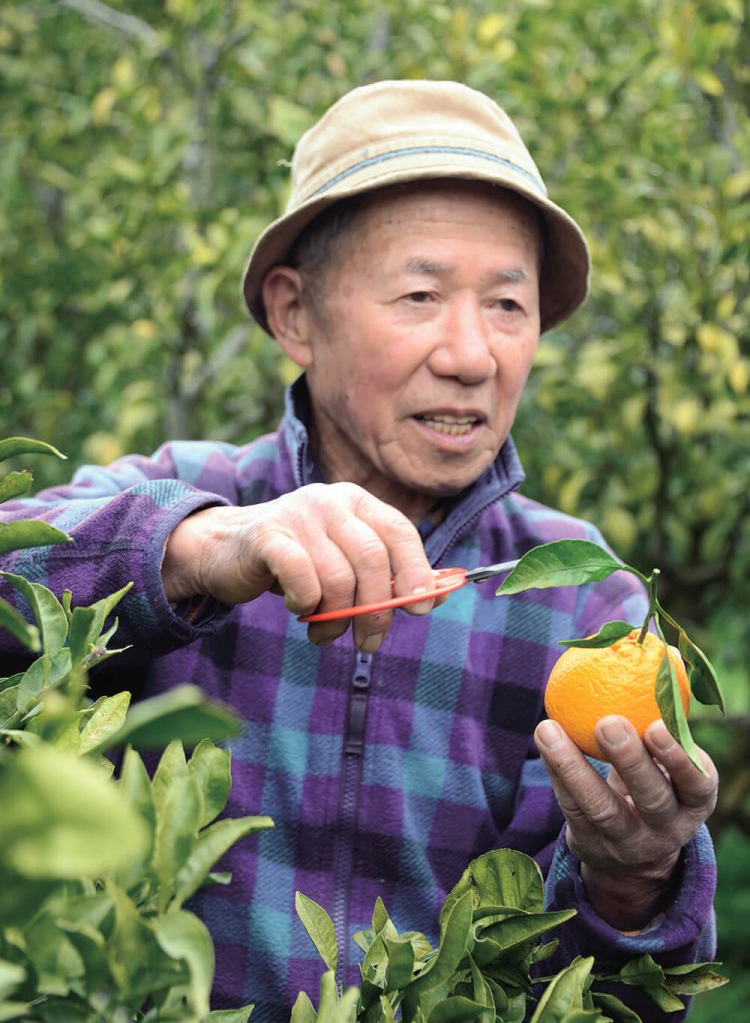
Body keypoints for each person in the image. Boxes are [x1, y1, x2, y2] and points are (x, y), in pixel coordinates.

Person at [0, 80, 718, 1020]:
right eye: (420, 294)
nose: (472, 353)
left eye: (508, 304)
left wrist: (636, 881)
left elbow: (621, 997)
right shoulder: (186, 499)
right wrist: (201, 547)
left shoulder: (577, 604)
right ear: (296, 314)